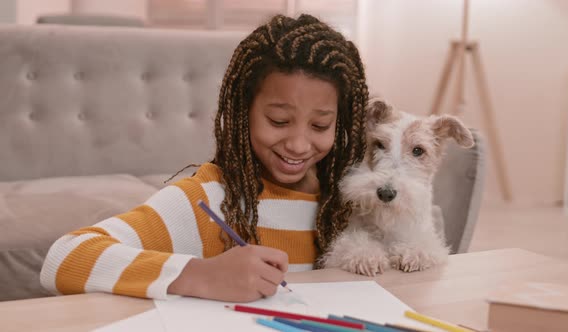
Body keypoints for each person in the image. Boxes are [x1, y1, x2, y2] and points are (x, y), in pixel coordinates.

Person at [40, 13, 369, 303]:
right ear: (244, 112)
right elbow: (63, 259)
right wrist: (200, 275)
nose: (298, 144)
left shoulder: (349, 197)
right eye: (279, 121)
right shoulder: (212, 198)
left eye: (320, 125)